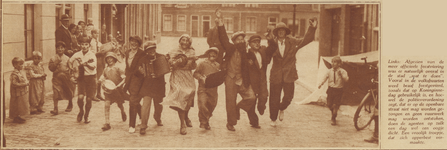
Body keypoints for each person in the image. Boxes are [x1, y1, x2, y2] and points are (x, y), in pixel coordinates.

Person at [267, 19, 318, 127]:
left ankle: (281, 108)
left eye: (283, 30)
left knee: (288, 97)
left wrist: (312, 28)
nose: (281, 32)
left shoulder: (292, 42)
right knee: (274, 98)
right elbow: (265, 55)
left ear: (286, 32)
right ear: (276, 32)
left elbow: (306, 40)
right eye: (279, 30)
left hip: (289, 75)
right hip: (276, 75)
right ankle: (273, 119)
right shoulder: (272, 43)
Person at [216, 17, 258, 131]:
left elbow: (255, 62)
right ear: (234, 42)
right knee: (230, 102)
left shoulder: (247, 52)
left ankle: (238, 107)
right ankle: (231, 123)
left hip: (242, 80)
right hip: (230, 79)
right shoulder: (230, 48)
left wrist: (251, 62)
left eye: (242, 39)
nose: (240, 41)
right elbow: (223, 38)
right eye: (237, 40)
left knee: (251, 97)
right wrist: (220, 23)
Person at [163, 34, 197, 135]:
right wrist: (171, 62)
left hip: (187, 75)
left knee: (190, 94)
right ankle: (182, 124)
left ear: (189, 43)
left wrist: (193, 62)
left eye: (187, 41)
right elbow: (166, 62)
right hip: (177, 75)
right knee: (180, 96)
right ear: (180, 41)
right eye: (183, 40)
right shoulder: (173, 51)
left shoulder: (192, 52)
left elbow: (193, 67)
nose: (185, 42)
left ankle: (186, 116)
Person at [136, 41, 166, 135]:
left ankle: (157, 117)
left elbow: (166, 69)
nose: (152, 51)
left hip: (158, 86)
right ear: (146, 51)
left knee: (158, 105)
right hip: (147, 86)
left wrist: (158, 73)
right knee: (145, 105)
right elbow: (137, 73)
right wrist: (140, 71)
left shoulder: (161, 57)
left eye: (153, 48)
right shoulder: (142, 59)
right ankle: (143, 126)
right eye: (149, 50)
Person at [246, 35, 277, 126]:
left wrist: (270, 39)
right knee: (252, 101)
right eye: (254, 42)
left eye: (258, 42)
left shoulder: (263, 51)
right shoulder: (247, 53)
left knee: (264, 96)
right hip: (251, 81)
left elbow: (273, 48)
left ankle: (261, 106)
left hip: (262, 79)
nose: (256, 43)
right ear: (249, 44)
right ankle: (254, 121)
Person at [70, 36, 97, 123]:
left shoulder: (92, 55)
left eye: (86, 44)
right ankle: (81, 111)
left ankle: (87, 115)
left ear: (89, 45)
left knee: (89, 99)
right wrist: (73, 70)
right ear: (80, 45)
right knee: (80, 97)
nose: (84, 46)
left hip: (91, 78)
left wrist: (85, 64)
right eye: (82, 44)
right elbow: (70, 62)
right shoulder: (77, 54)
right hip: (81, 78)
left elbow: (93, 67)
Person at [99, 52, 127, 131]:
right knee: (107, 104)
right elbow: (103, 76)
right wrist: (100, 80)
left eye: (111, 58)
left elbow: (124, 78)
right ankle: (107, 123)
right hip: (108, 91)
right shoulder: (105, 69)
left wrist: (119, 85)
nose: (109, 60)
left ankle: (122, 111)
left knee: (119, 104)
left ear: (114, 60)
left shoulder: (118, 68)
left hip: (117, 91)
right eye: (108, 59)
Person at [193, 47, 220, 130]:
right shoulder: (202, 63)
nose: (212, 55)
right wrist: (201, 78)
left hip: (213, 89)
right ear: (208, 54)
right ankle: (204, 121)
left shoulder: (217, 65)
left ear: (217, 55)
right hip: (203, 88)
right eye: (211, 53)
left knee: (212, 105)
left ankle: (206, 119)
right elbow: (195, 73)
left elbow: (220, 77)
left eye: (214, 54)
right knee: (202, 103)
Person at [318, 56, 349, 125]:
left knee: (335, 105)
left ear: (339, 64)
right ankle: (334, 111)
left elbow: (346, 79)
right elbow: (324, 78)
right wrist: (320, 84)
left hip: (338, 90)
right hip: (331, 90)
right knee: (329, 104)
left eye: (335, 62)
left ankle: (333, 118)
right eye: (332, 62)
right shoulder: (329, 71)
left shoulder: (343, 71)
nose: (333, 64)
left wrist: (342, 75)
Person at [123, 36, 144, 133]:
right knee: (134, 100)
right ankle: (141, 116)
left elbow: (142, 69)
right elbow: (128, 67)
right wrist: (125, 77)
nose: (133, 44)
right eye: (132, 41)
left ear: (139, 44)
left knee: (132, 101)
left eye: (136, 42)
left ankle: (132, 125)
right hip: (129, 80)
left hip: (138, 80)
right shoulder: (127, 52)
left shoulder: (141, 53)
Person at [49, 41, 76, 115]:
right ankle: (55, 108)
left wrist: (72, 75)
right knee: (55, 92)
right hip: (56, 78)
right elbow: (51, 69)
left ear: (64, 49)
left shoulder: (67, 59)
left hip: (65, 78)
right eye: (58, 48)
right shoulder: (53, 58)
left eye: (62, 48)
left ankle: (70, 104)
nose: (60, 49)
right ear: (56, 49)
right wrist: (56, 63)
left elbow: (71, 68)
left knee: (69, 90)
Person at [9, 57, 29, 123]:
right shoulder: (14, 74)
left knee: (20, 104)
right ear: (15, 65)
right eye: (20, 64)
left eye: (22, 64)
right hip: (16, 93)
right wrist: (24, 84)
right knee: (15, 104)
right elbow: (14, 84)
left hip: (20, 92)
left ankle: (18, 116)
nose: (22, 66)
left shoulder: (19, 73)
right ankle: (15, 117)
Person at [91, 28, 104, 101]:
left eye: (98, 33)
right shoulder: (90, 42)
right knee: (94, 78)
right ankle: (93, 95)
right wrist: (97, 53)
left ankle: (99, 93)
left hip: (99, 61)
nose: (97, 35)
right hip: (94, 60)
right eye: (95, 33)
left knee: (100, 77)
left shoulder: (99, 42)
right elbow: (90, 52)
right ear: (92, 34)